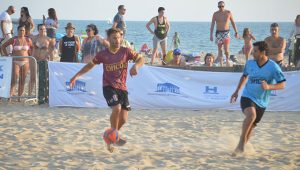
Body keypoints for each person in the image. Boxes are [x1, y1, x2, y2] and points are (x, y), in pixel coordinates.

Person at [69, 28, 144, 152]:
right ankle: (113, 134)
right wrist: (76, 76)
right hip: (108, 86)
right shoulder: (103, 54)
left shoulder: (126, 51)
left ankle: (111, 137)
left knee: (124, 119)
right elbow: (89, 66)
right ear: (109, 39)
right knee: (117, 108)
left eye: (119, 37)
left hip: (122, 88)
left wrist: (136, 66)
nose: (117, 40)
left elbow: (141, 59)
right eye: (114, 38)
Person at [230, 41, 286, 156]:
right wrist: (236, 92)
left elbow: (282, 84)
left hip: (262, 102)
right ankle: (241, 142)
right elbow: (244, 76)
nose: (252, 53)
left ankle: (240, 148)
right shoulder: (250, 64)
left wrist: (269, 86)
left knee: (251, 127)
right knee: (251, 115)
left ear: (263, 52)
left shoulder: (273, 66)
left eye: (255, 51)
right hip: (247, 96)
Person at [1, 25, 33, 101]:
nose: (22, 32)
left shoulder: (28, 40)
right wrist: (7, 55)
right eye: (20, 30)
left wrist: (30, 55)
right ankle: (10, 97)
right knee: (14, 79)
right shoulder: (14, 39)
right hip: (15, 61)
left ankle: (19, 98)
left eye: (23, 30)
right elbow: (3, 46)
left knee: (22, 80)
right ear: (17, 31)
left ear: (25, 32)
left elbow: (32, 48)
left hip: (26, 62)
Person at [210, 1, 238, 67]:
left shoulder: (228, 13)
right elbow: (212, 24)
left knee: (226, 50)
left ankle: (227, 61)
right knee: (220, 50)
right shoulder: (215, 14)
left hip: (226, 33)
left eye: (222, 6)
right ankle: (221, 64)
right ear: (218, 7)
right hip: (219, 33)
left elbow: (233, 22)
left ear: (224, 6)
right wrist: (211, 35)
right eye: (219, 6)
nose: (221, 8)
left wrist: (236, 32)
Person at [32, 24, 55, 103]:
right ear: (38, 30)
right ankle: (39, 97)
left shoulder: (49, 39)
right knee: (34, 78)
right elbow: (31, 48)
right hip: (35, 60)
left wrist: (51, 60)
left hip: (44, 60)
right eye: (41, 29)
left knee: (44, 79)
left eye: (44, 29)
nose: (42, 31)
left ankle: (45, 97)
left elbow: (52, 51)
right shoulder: (34, 38)